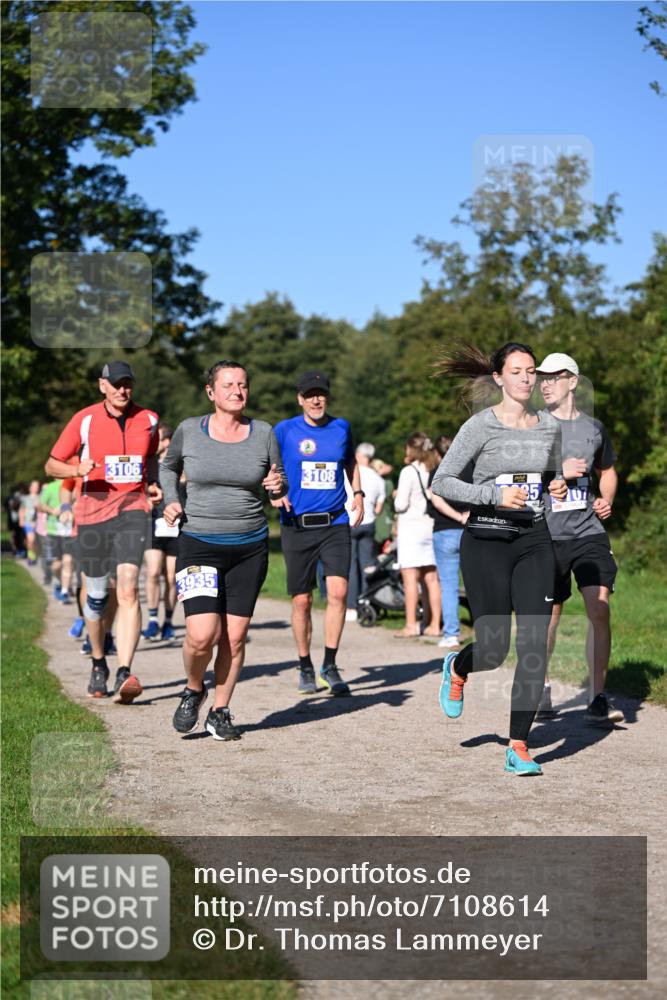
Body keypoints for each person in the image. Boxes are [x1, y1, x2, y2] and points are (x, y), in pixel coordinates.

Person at [432, 342, 567, 777]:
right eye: (517, 371)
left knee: (533, 646)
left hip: (534, 539)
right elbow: (443, 482)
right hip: (487, 540)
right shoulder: (479, 426)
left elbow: (549, 475)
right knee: (493, 647)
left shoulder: (549, 426)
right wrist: (493, 495)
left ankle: (519, 745)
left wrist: (557, 486)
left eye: (532, 372)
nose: (527, 379)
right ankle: (459, 665)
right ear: (498, 378)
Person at [161, 360, 287, 741]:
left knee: (233, 637)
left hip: (249, 546)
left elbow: (277, 488)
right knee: (202, 635)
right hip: (199, 542)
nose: (237, 391)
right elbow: (167, 468)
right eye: (229, 384)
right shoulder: (188, 431)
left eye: (243, 385)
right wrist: (171, 499)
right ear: (211, 392)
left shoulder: (263, 433)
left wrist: (277, 486)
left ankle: (220, 710)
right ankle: (194, 688)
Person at [45, 360, 162, 702]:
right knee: (96, 597)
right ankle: (99, 661)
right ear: (102, 386)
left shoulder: (149, 420)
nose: (122, 390)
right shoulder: (84, 420)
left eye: (127, 384)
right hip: (92, 513)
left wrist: (152, 481)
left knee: (127, 588)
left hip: (133, 510)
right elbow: (51, 463)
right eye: (116, 384)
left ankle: (125, 670)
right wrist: (75, 468)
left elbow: (151, 456)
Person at [536, 352, 623, 726]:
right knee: (547, 621)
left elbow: (608, 470)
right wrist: (558, 472)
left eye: (553, 377)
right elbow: (514, 475)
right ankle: (539, 690)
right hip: (546, 535)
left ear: (572, 381)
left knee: (599, 608)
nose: (544, 383)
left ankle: (597, 697)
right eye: (541, 377)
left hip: (588, 531)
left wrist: (606, 499)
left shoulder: (593, 428)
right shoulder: (531, 427)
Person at [274, 370, 363, 696]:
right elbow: (269, 466)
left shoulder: (341, 428)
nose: (316, 399)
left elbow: (350, 462)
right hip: (296, 525)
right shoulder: (284, 430)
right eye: (309, 394)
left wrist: (357, 493)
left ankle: (329, 663)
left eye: (321, 393)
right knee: (302, 601)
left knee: (338, 593)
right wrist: (274, 492)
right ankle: (304, 664)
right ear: (300, 398)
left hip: (334, 522)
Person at [392, 433, 442, 639]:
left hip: (411, 529)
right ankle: (434, 624)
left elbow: (401, 504)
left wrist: (395, 496)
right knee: (431, 578)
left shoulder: (408, 472)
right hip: (430, 526)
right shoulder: (433, 470)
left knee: (410, 578)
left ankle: (411, 624)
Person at [428, 437, 470, 649]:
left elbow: (436, 500)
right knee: (476, 584)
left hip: (444, 532)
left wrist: (456, 516)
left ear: (437, 453)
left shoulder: (437, 473)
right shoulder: (469, 471)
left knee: (449, 586)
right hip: (469, 532)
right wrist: (466, 516)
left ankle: (451, 633)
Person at [142, 424, 179, 642]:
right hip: (154, 523)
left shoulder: (180, 463)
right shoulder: (148, 465)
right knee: (153, 572)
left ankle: (168, 622)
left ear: (165, 442)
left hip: (175, 525)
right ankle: (153, 619)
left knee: (172, 577)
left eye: (158, 439)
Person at [345, 442, 386, 622]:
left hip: (350, 521)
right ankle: (367, 600)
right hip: (369, 523)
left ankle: (352, 606)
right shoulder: (378, 479)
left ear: (359, 455)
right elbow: (378, 508)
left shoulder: (349, 474)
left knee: (351, 566)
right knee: (367, 565)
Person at [19, 480, 41, 565]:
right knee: (30, 540)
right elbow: (22, 509)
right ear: (30, 487)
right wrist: (21, 520)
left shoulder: (40, 497)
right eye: (34, 486)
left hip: (38, 523)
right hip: (28, 522)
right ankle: (30, 556)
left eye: (37, 486)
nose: (36, 488)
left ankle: (33, 554)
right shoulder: (26, 498)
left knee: (35, 541)